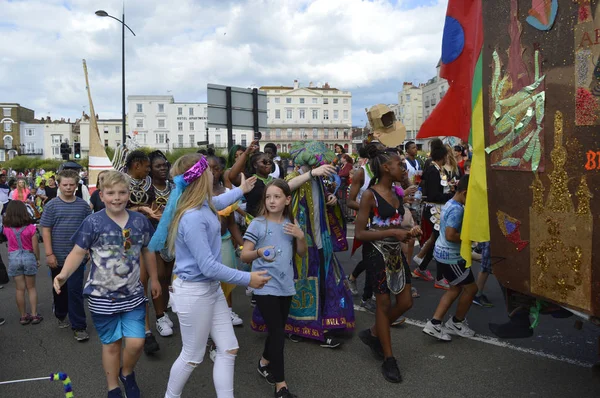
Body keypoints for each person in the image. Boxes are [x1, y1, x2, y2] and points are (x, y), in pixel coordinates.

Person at [148, 153, 269, 398]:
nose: (213, 173)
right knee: (192, 356)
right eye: (208, 171)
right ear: (200, 177)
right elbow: (209, 267)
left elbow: (220, 200)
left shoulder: (202, 203)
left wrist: (242, 190)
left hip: (209, 289)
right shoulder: (192, 216)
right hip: (194, 291)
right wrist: (249, 279)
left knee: (229, 348)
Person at [53, 170, 161, 398]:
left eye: (122, 192)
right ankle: (112, 386)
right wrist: (63, 274)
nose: (117, 197)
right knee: (111, 345)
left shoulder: (140, 221)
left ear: (129, 194)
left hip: (133, 295)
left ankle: (127, 373)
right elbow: (78, 252)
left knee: (136, 343)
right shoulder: (92, 222)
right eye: (110, 193)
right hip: (102, 298)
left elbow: (148, 250)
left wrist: (154, 278)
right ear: (101, 196)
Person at [354, 144, 421, 383]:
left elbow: (394, 225)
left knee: (406, 302)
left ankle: (374, 333)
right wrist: (394, 231)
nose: (403, 168)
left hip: (394, 252)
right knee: (383, 305)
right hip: (375, 254)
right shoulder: (370, 195)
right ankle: (389, 359)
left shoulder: (397, 193)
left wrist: (408, 230)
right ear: (385, 168)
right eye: (399, 164)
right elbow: (361, 233)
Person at [285, 141, 355, 348]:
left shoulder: (317, 181)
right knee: (304, 283)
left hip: (320, 240)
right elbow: (285, 188)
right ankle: (301, 328)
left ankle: (324, 324)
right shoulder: (297, 176)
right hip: (302, 242)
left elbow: (316, 204)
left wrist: (329, 198)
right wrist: (312, 174)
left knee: (325, 283)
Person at [241, 179, 307, 398]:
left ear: (287, 200)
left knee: (277, 329)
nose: (271, 201)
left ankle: (263, 363)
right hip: (264, 285)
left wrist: (300, 236)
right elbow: (244, 255)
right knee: (278, 333)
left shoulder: (291, 222)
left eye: (277, 196)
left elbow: (301, 253)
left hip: (285, 286)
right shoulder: (258, 224)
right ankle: (281, 385)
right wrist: (259, 253)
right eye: (268, 197)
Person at [422, 175, 478, 341]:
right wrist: (469, 237)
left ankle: (437, 322)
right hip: (451, 257)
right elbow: (451, 235)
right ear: (466, 192)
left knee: (455, 289)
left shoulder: (451, 203)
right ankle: (455, 322)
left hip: (444, 254)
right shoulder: (457, 209)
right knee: (471, 289)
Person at [40, 170, 92, 340]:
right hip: (57, 256)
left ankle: (79, 326)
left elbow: (88, 231)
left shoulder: (83, 206)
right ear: (59, 185)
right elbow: (46, 230)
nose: (68, 187)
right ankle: (61, 312)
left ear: (77, 186)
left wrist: (88, 249)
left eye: (72, 185)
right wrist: (49, 254)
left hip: (77, 258)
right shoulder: (51, 206)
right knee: (60, 290)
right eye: (65, 185)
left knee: (75, 290)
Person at [207, 152, 245, 330]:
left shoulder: (228, 193)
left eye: (216, 169)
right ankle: (208, 316)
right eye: (208, 168)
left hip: (224, 242)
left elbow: (231, 224)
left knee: (227, 280)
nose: (212, 172)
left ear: (222, 171)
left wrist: (244, 246)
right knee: (208, 282)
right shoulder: (197, 195)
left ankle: (228, 310)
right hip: (205, 246)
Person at [412, 139, 454, 290]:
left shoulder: (436, 170)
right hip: (434, 209)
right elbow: (434, 195)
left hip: (436, 209)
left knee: (437, 241)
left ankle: (421, 268)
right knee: (441, 242)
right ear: (442, 157)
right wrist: (452, 196)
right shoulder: (433, 171)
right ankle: (440, 278)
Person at [148, 150, 177, 337]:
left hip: (173, 237)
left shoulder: (175, 187)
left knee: (167, 277)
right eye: (158, 166)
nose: (163, 169)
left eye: (165, 165)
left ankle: (164, 313)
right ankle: (159, 316)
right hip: (153, 237)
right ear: (150, 169)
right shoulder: (145, 189)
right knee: (157, 275)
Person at [3, 201, 42, 325]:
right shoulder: (31, 228)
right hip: (28, 256)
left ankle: (23, 316)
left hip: (14, 258)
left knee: (20, 289)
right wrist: (37, 259)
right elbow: (35, 246)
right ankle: (35, 315)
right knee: (31, 287)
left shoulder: (6, 228)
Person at [229, 143, 273, 218]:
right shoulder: (250, 179)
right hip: (254, 223)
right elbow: (232, 176)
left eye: (270, 161)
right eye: (264, 162)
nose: (268, 163)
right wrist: (246, 153)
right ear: (255, 165)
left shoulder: (275, 181)